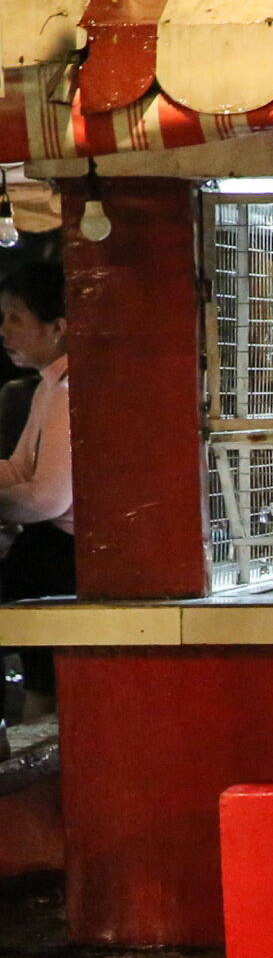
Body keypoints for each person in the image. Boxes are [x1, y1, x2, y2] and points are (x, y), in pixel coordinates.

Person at [0, 260, 72, 721]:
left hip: (68, 553)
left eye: (16, 318)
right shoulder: (49, 386)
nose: (4, 331)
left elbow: (49, 498)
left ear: (58, 327)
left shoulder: (69, 389)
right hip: (49, 547)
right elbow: (19, 468)